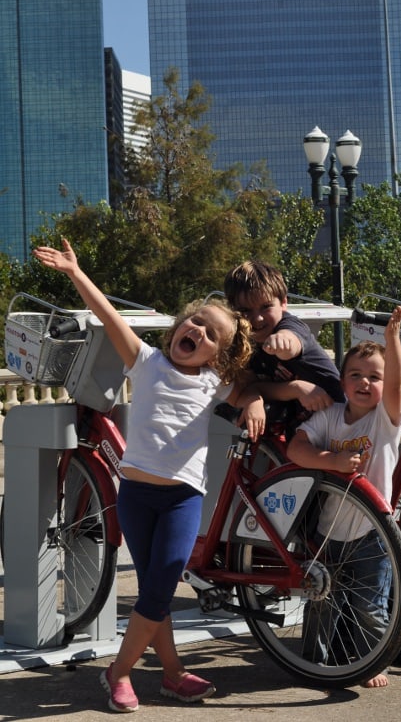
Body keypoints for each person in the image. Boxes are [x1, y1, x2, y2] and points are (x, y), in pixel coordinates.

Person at [33, 238, 256, 713]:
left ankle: (119, 673)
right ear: (178, 327)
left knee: (158, 588)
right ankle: (173, 675)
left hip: (181, 501)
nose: (198, 330)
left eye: (212, 333)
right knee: (155, 588)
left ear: (217, 356)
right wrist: (75, 272)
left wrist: (253, 399)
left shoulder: (216, 384)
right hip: (134, 497)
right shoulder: (147, 362)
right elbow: (108, 313)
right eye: (195, 321)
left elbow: (250, 390)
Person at [286, 305, 401, 688]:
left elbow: (395, 385)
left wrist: (392, 340)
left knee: (369, 607)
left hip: (372, 536)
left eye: (373, 377)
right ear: (342, 382)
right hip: (328, 531)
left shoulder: (385, 419)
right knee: (320, 603)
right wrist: (333, 460)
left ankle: (372, 661)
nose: (365, 383)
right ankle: (314, 662)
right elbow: (296, 449)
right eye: (356, 375)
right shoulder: (330, 417)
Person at [223, 259, 345, 439]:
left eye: (266, 307)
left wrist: (282, 342)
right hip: (303, 426)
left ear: (283, 303)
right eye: (245, 311)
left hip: (336, 416)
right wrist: (254, 398)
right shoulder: (246, 344)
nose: (257, 319)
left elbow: (292, 343)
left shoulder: (290, 325)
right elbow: (252, 386)